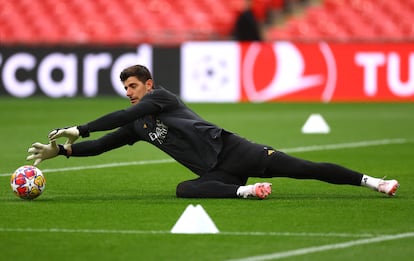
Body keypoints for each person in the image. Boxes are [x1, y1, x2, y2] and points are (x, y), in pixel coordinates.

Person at [26, 64, 400, 199]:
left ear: (148, 85)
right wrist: (62, 152)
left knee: (305, 168)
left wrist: (81, 128)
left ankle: (372, 182)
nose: (129, 93)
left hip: (233, 149)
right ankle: (245, 190)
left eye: (133, 86)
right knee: (184, 190)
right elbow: (105, 145)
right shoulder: (136, 124)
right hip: (216, 172)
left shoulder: (161, 99)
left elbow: (103, 126)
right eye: (125, 88)